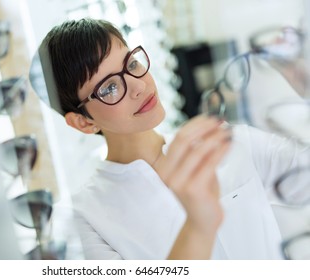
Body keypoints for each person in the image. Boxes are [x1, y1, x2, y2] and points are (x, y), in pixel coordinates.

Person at [35, 18, 309, 259]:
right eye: (109, 87)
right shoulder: (83, 219)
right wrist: (199, 223)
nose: (139, 85)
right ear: (83, 121)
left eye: (131, 63)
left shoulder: (225, 141)